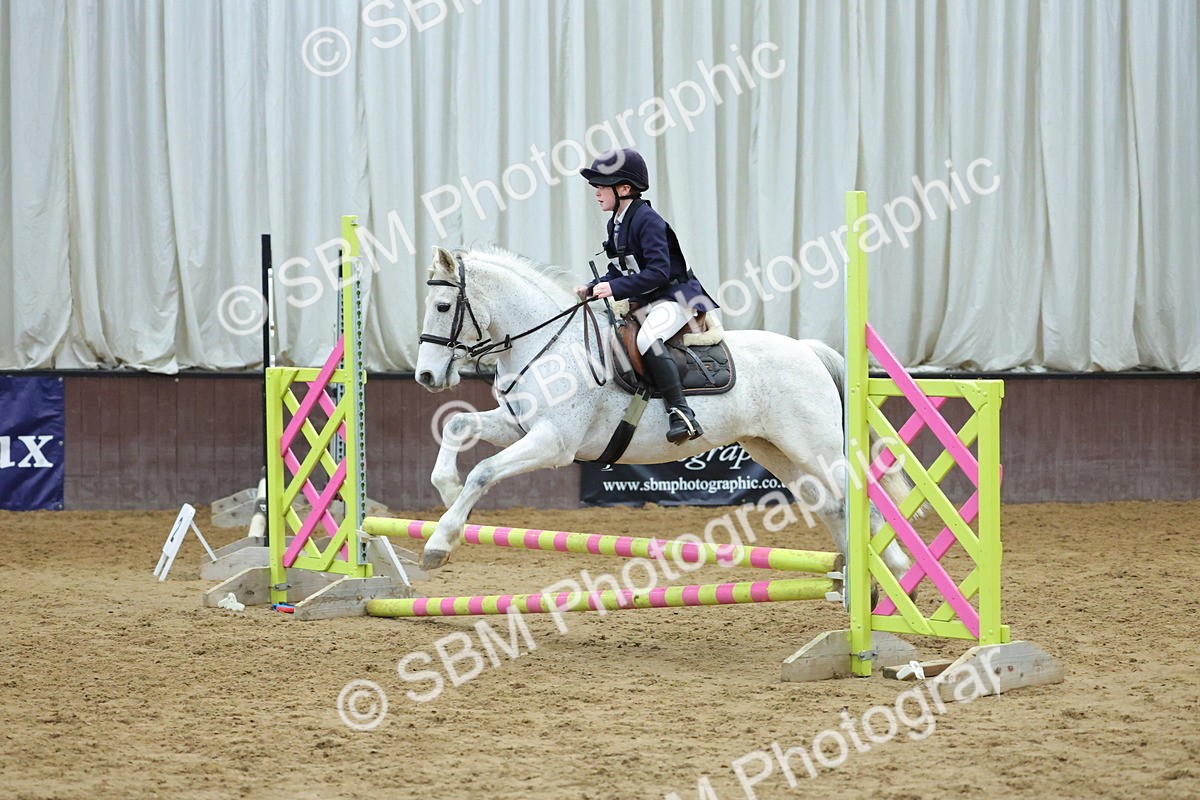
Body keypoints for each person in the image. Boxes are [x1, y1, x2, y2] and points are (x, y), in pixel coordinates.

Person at [574, 148, 718, 444]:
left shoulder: (647, 220)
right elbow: (622, 270)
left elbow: (659, 273)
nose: (597, 193)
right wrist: (593, 285)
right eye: (597, 187)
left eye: (602, 186)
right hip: (651, 298)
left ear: (624, 188)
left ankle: (682, 413)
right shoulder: (617, 221)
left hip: (677, 296)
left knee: (647, 339)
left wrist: (613, 289)